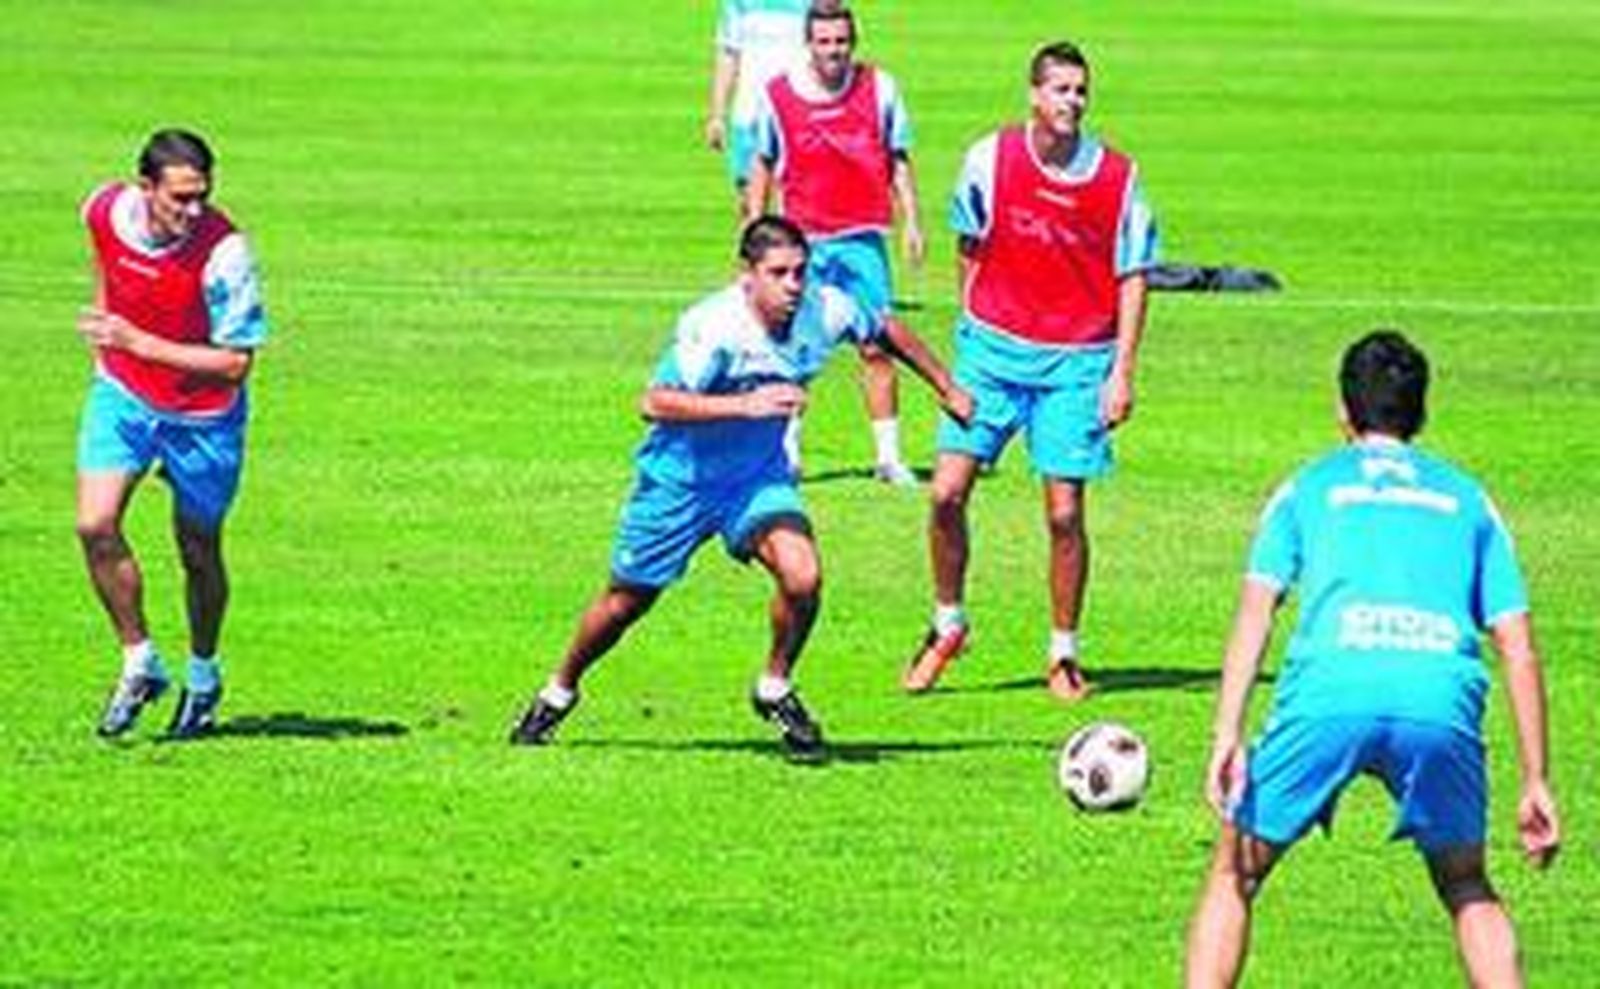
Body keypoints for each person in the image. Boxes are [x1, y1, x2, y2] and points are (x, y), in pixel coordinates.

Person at [508, 216, 972, 758]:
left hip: (756, 479)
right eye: (779, 273)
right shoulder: (714, 326)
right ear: (746, 275)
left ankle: (774, 687)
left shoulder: (825, 309)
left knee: (803, 576)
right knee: (625, 602)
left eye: (800, 271)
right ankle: (558, 691)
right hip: (680, 482)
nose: (793, 285)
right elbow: (654, 402)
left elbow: (884, 328)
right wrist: (745, 404)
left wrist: (947, 387)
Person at [1183, 331, 1561, 988]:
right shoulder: (1470, 499)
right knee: (1467, 883)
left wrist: (1227, 732)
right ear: (1421, 412)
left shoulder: (1306, 486)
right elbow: (1518, 645)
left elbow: (1256, 609)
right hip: (1436, 696)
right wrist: (1536, 778)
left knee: (1234, 870)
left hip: (1332, 689)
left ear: (1343, 409)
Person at [904, 41, 1158, 700]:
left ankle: (1063, 651)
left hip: (1078, 362)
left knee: (1064, 514)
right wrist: (970, 325)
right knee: (945, 493)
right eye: (1061, 89)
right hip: (991, 354)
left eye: (1080, 90)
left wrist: (1122, 370)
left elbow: (1133, 275)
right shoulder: (989, 158)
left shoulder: (1119, 177)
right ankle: (947, 623)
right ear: (1034, 95)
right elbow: (969, 243)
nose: (1073, 101)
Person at [76, 129, 270, 739]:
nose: (193, 210)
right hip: (125, 396)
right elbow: (106, 263)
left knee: (198, 549)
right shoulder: (103, 209)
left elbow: (235, 363)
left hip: (204, 417)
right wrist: (110, 342)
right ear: (146, 187)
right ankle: (139, 661)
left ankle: (204, 675)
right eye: (180, 197)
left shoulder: (226, 253)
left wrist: (137, 341)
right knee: (95, 525)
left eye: (202, 196)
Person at [743, 1, 924, 486]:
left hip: (862, 237)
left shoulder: (880, 88)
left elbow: (898, 158)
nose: (833, 51)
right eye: (824, 41)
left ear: (853, 43)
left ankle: (888, 457)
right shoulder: (778, 94)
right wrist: (757, 228)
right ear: (809, 44)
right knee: (792, 347)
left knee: (876, 344)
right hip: (803, 242)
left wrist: (912, 221)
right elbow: (763, 161)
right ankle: (785, 454)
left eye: (841, 41)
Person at [706, 0, 809, 202]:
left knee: (795, 201)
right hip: (749, 114)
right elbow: (728, 53)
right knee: (748, 201)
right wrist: (717, 115)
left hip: (798, 117)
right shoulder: (738, 4)